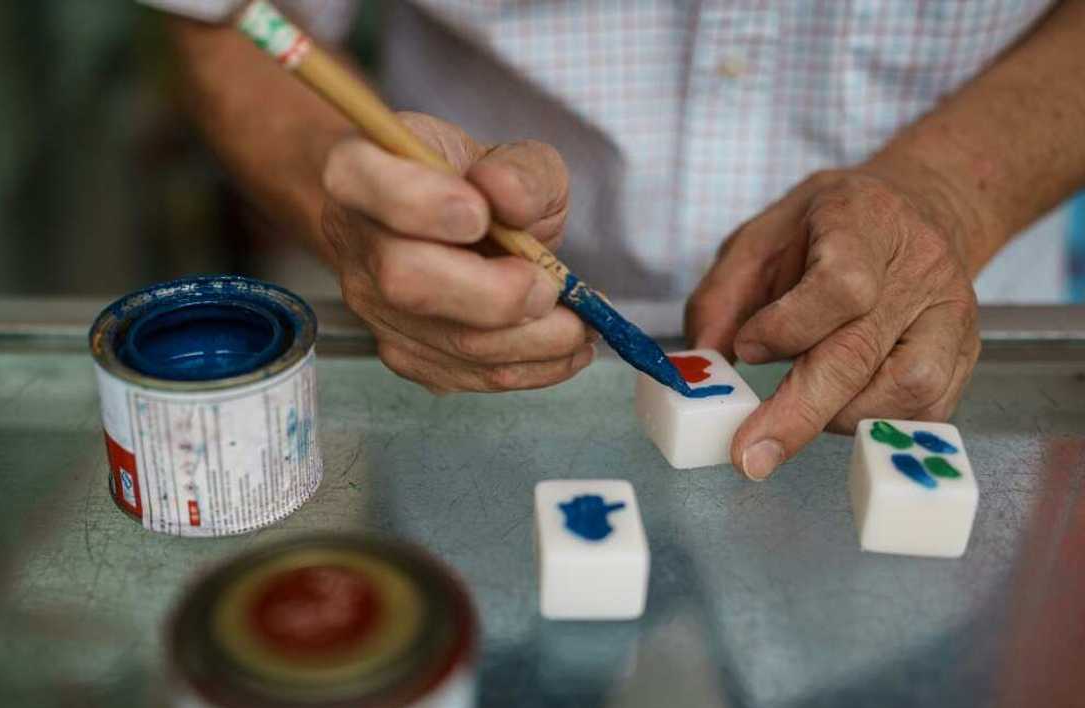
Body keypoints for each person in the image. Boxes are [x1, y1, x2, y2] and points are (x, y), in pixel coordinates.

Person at [155, 0, 1085, 479]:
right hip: (472, 413)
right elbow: (228, 24)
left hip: (921, 362)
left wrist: (949, 195)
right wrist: (357, 192)